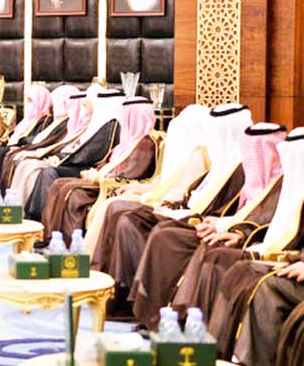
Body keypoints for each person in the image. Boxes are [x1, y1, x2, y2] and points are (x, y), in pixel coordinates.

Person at [128, 105, 263, 329]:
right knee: (150, 226)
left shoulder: (242, 169)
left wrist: (226, 227)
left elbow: (252, 216)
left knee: (165, 237)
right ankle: (151, 314)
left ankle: (176, 319)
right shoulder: (224, 162)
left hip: (227, 232)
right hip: (209, 223)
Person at [206, 127, 304, 363]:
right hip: (284, 254)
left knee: (265, 287)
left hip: (286, 256)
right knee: (239, 270)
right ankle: (218, 354)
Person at [170, 123, 286, 319]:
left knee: (215, 253)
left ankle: (192, 321)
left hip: (263, 245)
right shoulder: (248, 173)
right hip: (236, 232)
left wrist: (235, 231)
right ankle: (180, 317)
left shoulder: (282, 182)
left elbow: (274, 223)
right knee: (168, 233)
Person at [85, 104, 212, 257]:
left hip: (169, 206)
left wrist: (143, 195)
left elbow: (178, 194)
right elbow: (162, 181)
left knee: (112, 206)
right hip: (158, 197)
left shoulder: (199, 157)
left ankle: (89, 260)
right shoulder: (185, 153)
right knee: (111, 205)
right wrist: (138, 189)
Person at [40, 97, 158, 241]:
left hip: (112, 186)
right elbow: (109, 163)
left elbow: (131, 173)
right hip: (102, 179)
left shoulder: (146, 144)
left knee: (73, 193)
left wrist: (98, 176)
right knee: (59, 184)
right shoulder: (127, 141)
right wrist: (96, 172)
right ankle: (50, 237)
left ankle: (72, 243)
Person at [23, 89, 124, 225]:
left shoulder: (111, 127)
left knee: (49, 173)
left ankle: (40, 220)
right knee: (45, 172)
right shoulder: (98, 124)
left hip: (88, 168)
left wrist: (62, 160)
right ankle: (36, 218)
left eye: (86, 106)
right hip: (80, 165)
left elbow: (91, 155)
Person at [0, 85, 79, 193]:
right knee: (0, 154)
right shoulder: (57, 121)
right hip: (46, 154)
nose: (54, 107)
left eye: (57, 102)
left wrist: (28, 150)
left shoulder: (58, 122)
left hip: (60, 159)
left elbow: (54, 144)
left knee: (27, 166)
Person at [0, 84, 53, 179]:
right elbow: (9, 139)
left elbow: (34, 141)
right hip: (10, 147)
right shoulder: (26, 121)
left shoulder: (45, 122)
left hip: (22, 148)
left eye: (30, 101)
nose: (27, 105)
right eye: (26, 101)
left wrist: (14, 145)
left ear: (40, 102)